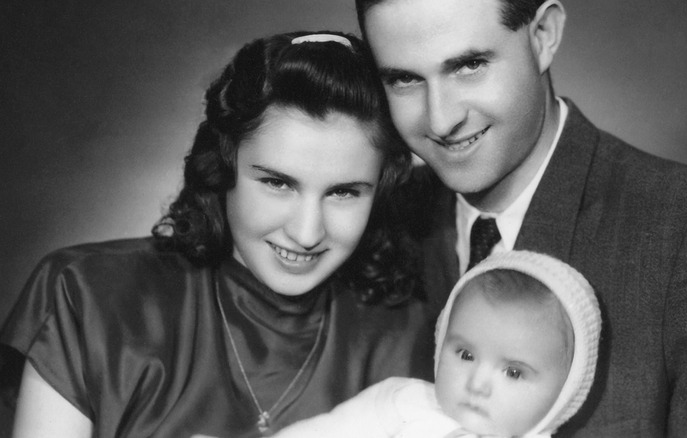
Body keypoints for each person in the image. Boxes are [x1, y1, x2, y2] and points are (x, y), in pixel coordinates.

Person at [354, 0, 687, 435]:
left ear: (545, 35)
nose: (441, 119)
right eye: (404, 79)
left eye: (469, 65)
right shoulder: (375, 215)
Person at [0, 31, 431, 438]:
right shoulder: (88, 297)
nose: (306, 232)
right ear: (224, 166)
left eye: (343, 192)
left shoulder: (405, 335)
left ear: (380, 191)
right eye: (277, 183)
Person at [274, 250, 601, 438]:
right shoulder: (404, 401)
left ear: (565, 392)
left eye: (513, 373)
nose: (477, 384)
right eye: (465, 354)